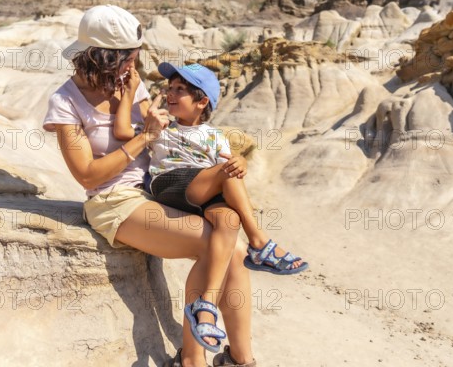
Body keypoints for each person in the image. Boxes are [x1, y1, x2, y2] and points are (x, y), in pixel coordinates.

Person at [43, 4, 256, 367]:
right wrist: (143, 139)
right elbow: (87, 175)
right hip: (114, 200)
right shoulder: (65, 102)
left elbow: (164, 134)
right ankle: (193, 360)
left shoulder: (130, 83)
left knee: (232, 249)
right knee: (212, 244)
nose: (134, 66)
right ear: (104, 57)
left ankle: (241, 358)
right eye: (128, 58)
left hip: (154, 189)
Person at [113, 62, 309, 351]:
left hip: (204, 191)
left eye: (180, 90)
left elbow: (230, 165)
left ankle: (206, 305)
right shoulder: (162, 124)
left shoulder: (214, 135)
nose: (170, 93)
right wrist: (131, 93)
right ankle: (259, 242)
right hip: (170, 183)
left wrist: (240, 162)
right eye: (170, 87)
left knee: (228, 220)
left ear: (201, 101)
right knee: (225, 172)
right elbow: (120, 131)